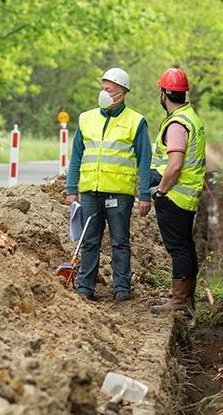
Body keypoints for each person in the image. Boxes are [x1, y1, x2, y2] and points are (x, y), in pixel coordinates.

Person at [65, 67, 152, 302]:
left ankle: (122, 288)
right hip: (90, 192)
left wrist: (145, 194)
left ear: (121, 93)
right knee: (89, 241)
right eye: (102, 88)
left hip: (119, 193)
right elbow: (76, 156)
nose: (103, 92)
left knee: (119, 242)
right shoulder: (86, 118)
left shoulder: (136, 121)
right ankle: (85, 287)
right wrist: (72, 188)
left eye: (109, 89)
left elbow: (145, 159)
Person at [149, 68, 205, 315]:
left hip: (174, 195)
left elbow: (174, 165)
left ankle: (179, 301)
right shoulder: (190, 116)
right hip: (188, 195)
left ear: (164, 94)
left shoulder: (176, 124)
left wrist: (161, 191)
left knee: (178, 248)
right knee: (186, 245)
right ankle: (187, 298)